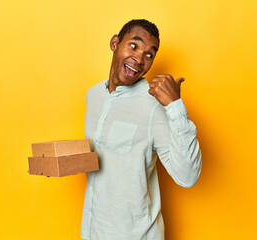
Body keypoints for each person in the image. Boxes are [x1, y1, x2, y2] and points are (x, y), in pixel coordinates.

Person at [81, 19, 202, 240]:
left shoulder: (154, 105)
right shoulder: (93, 96)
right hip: (94, 231)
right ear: (115, 43)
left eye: (149, 55)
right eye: (134, 46)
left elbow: (188, 176)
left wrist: (175, 106)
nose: (139, 59)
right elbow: (104, 158)